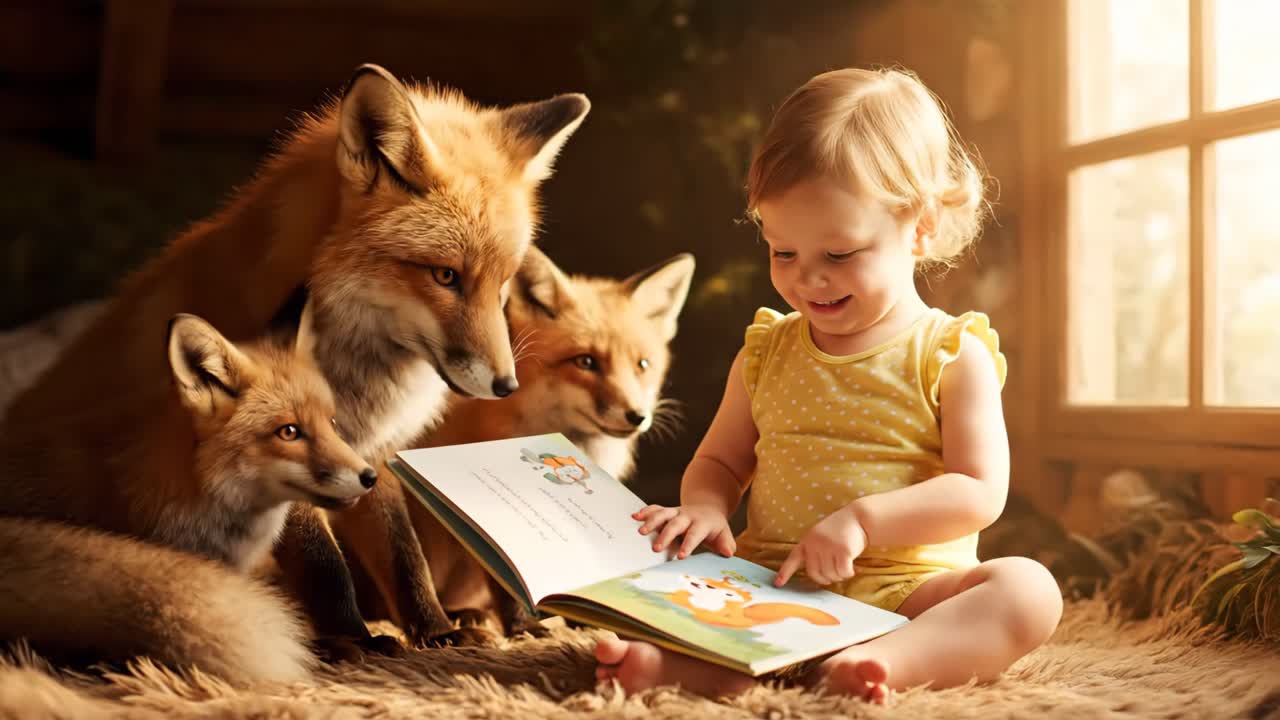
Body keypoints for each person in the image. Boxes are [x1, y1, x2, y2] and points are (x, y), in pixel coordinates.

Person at [594, 67, 1063, 703]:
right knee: (684, 594)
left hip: (908, 594)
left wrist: (863, 522)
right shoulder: (766, 352)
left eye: (838, 256)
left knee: (1027, 589)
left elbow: (979, 490)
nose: (807, 279)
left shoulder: (952, 353)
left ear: (920, 226)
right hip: (771, 585)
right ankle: (673, 668)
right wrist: (705, 505)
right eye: (783, 252)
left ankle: (885, 662)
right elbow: (719, 461)